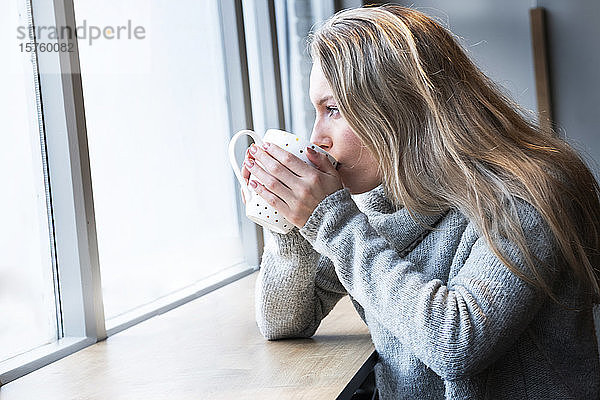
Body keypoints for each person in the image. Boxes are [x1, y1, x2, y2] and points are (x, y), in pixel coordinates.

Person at [240, 5, 600, 399]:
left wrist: (330, 220)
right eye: (317, 111)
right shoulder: (384, 204)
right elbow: (284, 322)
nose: (316, 137)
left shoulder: (529, 192)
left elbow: (457, 343)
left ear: (399, 106)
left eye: (334, 110)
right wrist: (287, 222)